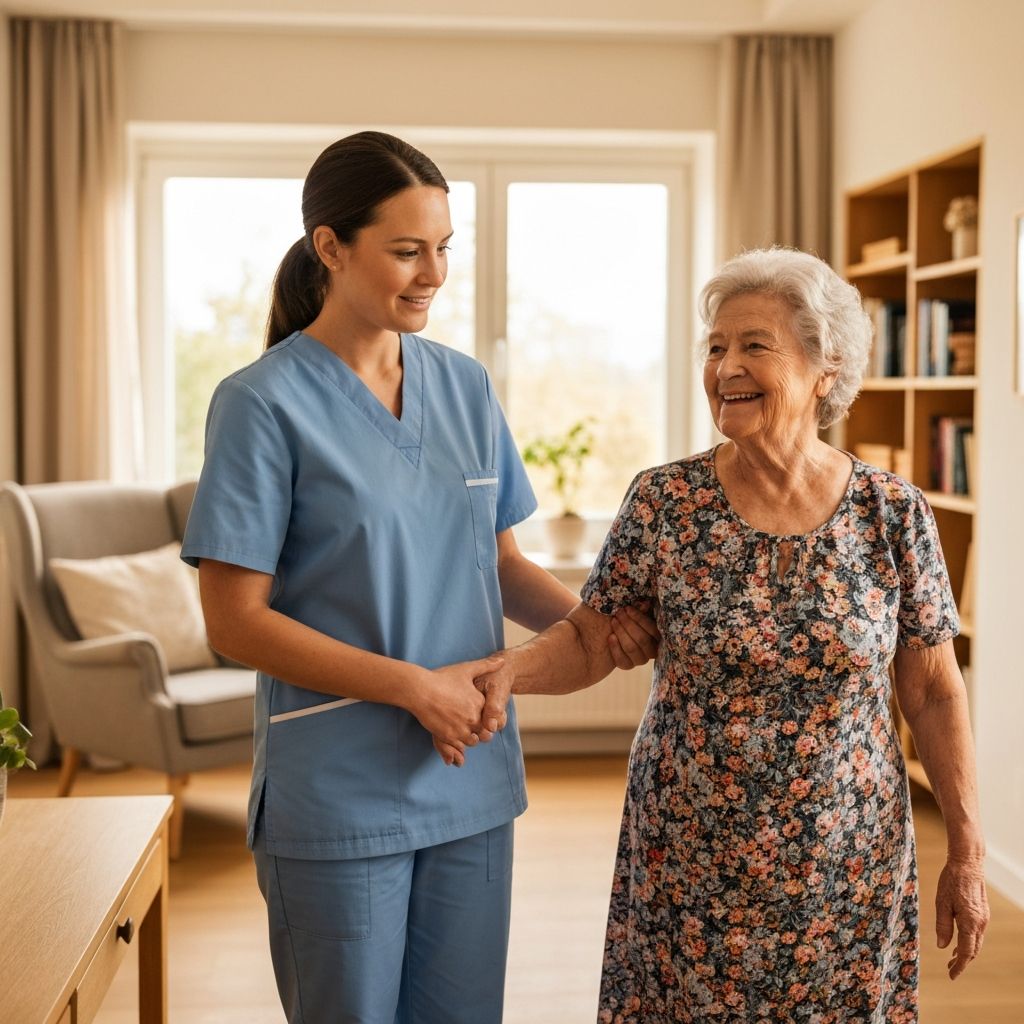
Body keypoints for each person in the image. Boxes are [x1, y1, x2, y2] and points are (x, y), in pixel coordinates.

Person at [179, 131, 658, 1024]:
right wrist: (413, 689)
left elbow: (500, 562)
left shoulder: (466, 386)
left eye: (443, 248)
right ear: (331, 247)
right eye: (406, 251)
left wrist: (604, 628)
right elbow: (233, 623)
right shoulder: (260, 404)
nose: (432, 272)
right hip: (339, 785)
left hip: (468, 777)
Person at [475, 247, 990, 1022]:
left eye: (755, 345)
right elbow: (589, 638)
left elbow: (933, 688)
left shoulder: (893, 512)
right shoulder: (665, 503)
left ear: (827, 367)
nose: (725, 366)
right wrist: (499, 674)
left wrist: (969, 854)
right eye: (715, 347)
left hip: (847, 863)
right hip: (690, 857)